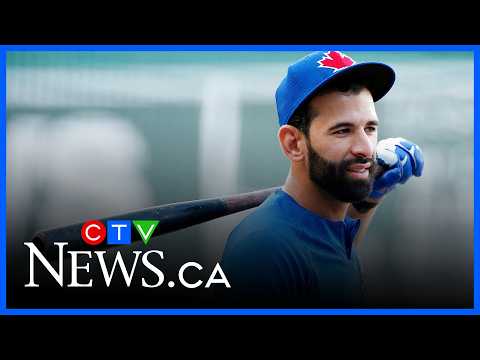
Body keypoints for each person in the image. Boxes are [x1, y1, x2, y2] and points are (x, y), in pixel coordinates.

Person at [219, 51, 424, 307]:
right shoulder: (263, 252)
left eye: (370, 128)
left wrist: (371, 197)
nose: (365, 148)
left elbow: (325, 255)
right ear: (293, 143)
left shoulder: (327, 228)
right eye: (342, 131)